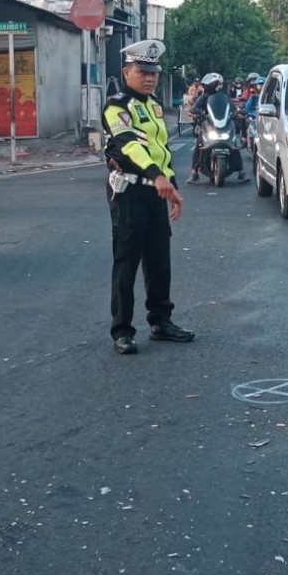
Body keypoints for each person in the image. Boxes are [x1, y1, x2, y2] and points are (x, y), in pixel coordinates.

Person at [102, 39, 193, 355]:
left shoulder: (153, 105)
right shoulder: (116, 105)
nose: (150, 77)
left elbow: (161, 149)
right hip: (129, 191)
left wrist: (171, 186)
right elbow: (128, 144)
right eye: (143, 71)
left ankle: (161, 321)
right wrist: (157, 176)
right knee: (126, 262)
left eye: (153, 72)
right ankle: (122, 331)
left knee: (159, 260)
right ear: (127, 71)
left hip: (155, 191)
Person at [187, 72, 248, 183]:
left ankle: (241, 172)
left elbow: (234, 109)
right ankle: (194, 172)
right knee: (199, 145)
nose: (207, 87)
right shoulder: (203, 98)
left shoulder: (225, 98)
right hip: (208, 125)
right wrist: (195, 113)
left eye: (209, 85)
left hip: (224, 125)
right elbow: (194, 108)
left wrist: (238, 113)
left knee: (233, 145)